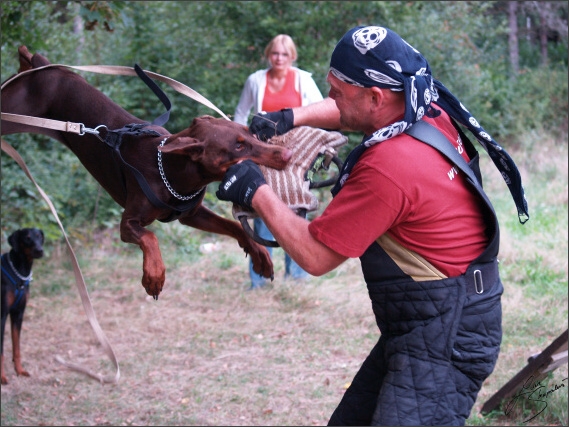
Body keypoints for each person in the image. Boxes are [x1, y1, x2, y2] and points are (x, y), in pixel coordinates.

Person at [217, 26, 529, 425]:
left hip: (448, 335)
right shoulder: (421, 105)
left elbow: (315, 256)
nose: (330, 100)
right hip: (428, 321)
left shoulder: (389, 166)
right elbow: (349, 108)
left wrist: (255, 190)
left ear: (376, 96)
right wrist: (286, 117)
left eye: (336, 92)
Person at [233, 34, 323, 289]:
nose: (279, 58)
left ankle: (296, 277)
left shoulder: (303, 80)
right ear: (268, 55)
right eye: (275, 53)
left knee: (297, 209)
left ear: (292, 56)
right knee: (262, 210)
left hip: (298, 154)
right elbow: (241, 114)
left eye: (284, 54)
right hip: (262, 152)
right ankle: (260, 279)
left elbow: (320, 111)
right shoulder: (255, 80)